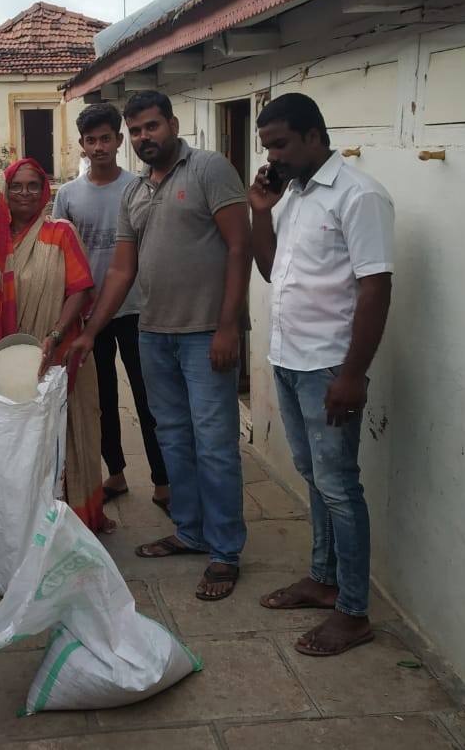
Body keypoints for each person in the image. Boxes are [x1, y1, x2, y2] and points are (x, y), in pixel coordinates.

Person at [67, 90, 252, 601]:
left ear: (171, 124)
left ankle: (225, 550)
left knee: (214, 444)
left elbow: (240, 246)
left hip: (205, 334)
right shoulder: (135, 193)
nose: (143, 138)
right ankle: (191, 531)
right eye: (136, 131)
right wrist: (89, 331)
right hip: (154, 334)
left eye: (151, 127)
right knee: (173, 437)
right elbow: (122, 270)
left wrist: (229, 326)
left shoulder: (209, 169)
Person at [249, 92, 394, 657]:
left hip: (330, 366)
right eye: (268, 147)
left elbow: (376, 286)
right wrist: (261, 210)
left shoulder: (359, 195)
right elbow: (270, 268)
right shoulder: (298, 195)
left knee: (339, 486)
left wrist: (353, 375)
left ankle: (353, 612)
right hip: (290, 360)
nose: (274, 156)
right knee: (315, 477)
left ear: (314, 136)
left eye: (281, 144)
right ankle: (323, 577)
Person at [0, 157, 112, 534]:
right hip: (10, 364)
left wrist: (56, 335)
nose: (25, 193)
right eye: (17, 186)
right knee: (20, 446)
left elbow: (80, 290)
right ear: (6, 192)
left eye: (33, 185)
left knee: (69, 436)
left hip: (58, 357)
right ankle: (23, 523)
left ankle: (72, 521)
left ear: (45, 191)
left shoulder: (61, 233)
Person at [53, 103, 171, 514]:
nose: (99, 146)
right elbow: (58, 255)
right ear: (82, 146)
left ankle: (163, 479)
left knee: (148, 396)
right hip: (90, 315)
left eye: (107, 138)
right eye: (91, 140)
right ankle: (115, 472)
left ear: (120, 141)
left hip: (139, 309)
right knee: (98, 398)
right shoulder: (67, 195)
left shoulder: (140, 187)